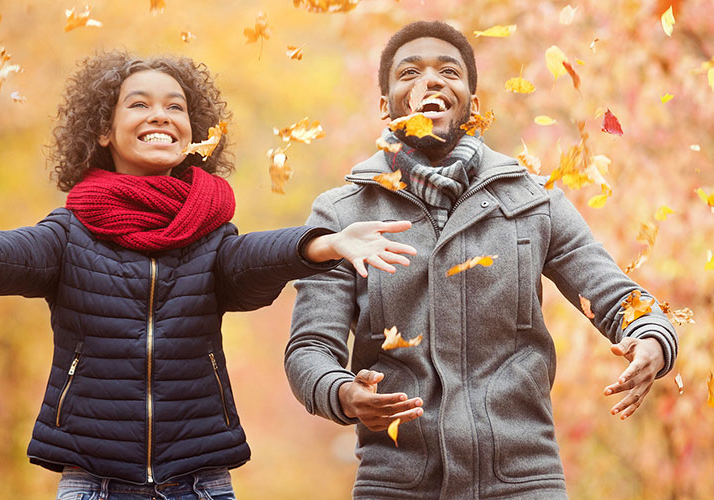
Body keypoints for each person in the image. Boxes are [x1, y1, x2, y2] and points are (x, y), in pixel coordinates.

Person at [0, 51, 418, 500]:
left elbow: (252, 260)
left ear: (196, 133)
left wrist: (323, 243)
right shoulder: (70, 233)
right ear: (104, 131)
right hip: (94, 482)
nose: (160, 114)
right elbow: (0, 255)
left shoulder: (211, 234)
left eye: (176, 106)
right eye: (139, 103)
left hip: (201, 481)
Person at [284, 21, 678, 500]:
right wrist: (343, 393)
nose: (430, 80)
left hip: (525, 483)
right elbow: (309, 348)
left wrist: (651, 339)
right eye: (409, 72)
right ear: (385, 105)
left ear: (472, 102)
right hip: (395, 485)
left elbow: (623, 301)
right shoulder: (342, 213)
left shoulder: (535, 202)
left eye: (448, 71)